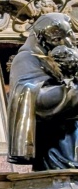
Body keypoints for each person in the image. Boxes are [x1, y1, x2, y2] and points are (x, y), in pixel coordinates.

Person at [7, 13, 78, 170]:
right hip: (54, 139)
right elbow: (31, 97)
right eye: (57, 39)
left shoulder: (73, 53)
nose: (66, 43)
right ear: (41, 39)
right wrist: (71, 93)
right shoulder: (26, 59)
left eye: (69, 35)